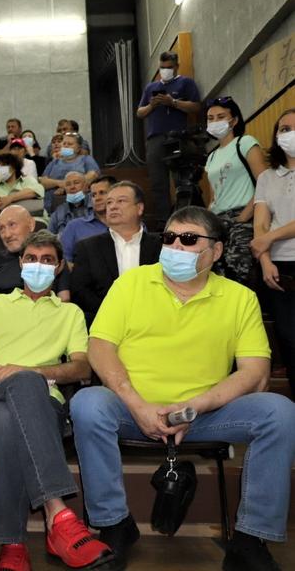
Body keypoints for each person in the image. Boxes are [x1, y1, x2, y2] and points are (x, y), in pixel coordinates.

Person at [71, 206, 295, 571]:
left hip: (205, 414)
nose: (175, 246)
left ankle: (250, 540)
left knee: (280, 412)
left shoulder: (239, 297)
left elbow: (255, 373)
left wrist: (195, 407)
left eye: (188, 239)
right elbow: (99, 348)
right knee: (87, 404)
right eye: (169, 238)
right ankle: (114, 524)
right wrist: (137, 404)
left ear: (216, 251)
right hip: (134, 410)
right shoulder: (130, 284)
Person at [0, 231, 114, 571]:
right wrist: (2, 376)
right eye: (31, 258)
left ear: (59, 267)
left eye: (47, 260)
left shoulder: (71, 313)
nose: (38, 265)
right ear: (20, 262)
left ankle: (13, 544)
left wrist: (28, 373)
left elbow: (82, 366)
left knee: (10, 420)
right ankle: (58, 516)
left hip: (45, 408)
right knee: (18, 392)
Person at [70, 181, 161, 326]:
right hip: (104, 323)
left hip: (153, 322)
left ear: (139, 208)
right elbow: (80, 291)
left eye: (121, 201)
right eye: (109, 202)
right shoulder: (87, 247)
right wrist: (113, 314)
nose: (113, 206)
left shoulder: (161, 245)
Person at [251, 107, 295, 395]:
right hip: (279, 266)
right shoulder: (267, 177)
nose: (289, 134)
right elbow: (260, 224)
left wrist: (270, 237)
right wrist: (265, 260)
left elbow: (267, 233)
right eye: (284, 129)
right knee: (288, 336)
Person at [204, 96, 267, 284]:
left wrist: (245, 215)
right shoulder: (211, 157)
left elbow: (265, 182)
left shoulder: (245, 142)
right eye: (210, 118)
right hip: (218, 220)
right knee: (217, 272)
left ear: (234, 120)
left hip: (243, 216)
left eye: (221, 116)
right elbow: (214, 195)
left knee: (240, 270)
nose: (215, 122)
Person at [136, 51, 202, 224]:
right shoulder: (150, 88)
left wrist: (173, 102)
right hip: (155, 139)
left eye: (169, 67)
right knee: (158, 182)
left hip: (177, 137)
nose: (165, 70)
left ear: (176, 66)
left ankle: (185, 220)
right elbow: (140, 112)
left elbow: (196, 107)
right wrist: (152, 104)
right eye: (162, 67)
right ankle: (163, 222)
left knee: (181, 180)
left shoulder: (186, 83)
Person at [0, 206, 70, 302]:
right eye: (1, 228)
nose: (7, 235)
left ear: (31, 224)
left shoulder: (51, 258)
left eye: (12, 225)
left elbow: (64, 300)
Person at [61, 175, 117, 264]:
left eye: (102, 193)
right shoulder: (74, 226)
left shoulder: (129, 224)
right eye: (93, 195)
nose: (97, 198)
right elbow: (63, 261)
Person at [40, 133, 100, 211]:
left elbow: (93, 175)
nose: (66, 146)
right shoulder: (54, 162)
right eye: (64, 143)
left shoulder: (86, 159)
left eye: (70, 144)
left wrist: (67, 187)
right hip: (52, 205)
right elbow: (43, 181)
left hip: (78, 203)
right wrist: (61, 183)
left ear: (78, 148)